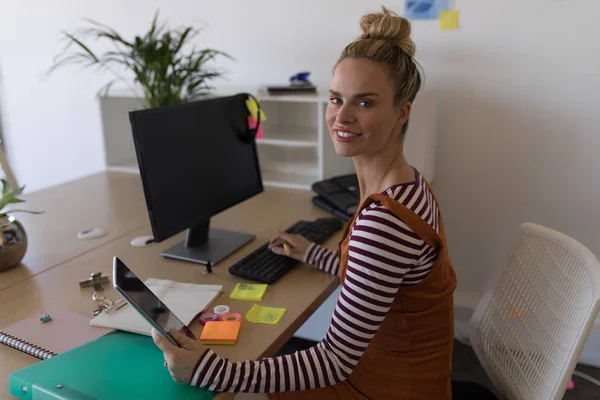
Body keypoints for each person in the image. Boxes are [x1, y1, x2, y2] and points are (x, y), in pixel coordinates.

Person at [152, 6, 457, 399]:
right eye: (335, 99)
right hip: (398, 378)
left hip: (377, 389)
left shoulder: (385, 222)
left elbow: (333, 359)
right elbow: (382, 278)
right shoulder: (408, 183)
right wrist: (317, 255)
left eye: (364, 103)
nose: (341, 116)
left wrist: (210, 370)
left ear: (402, 112)